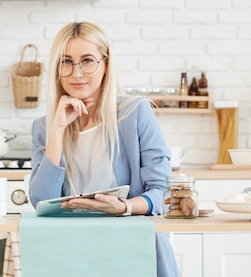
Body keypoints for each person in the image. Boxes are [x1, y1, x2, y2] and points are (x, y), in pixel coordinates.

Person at [28, 21, 180, 277]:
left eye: (87, 60)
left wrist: (125, 207)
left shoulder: (135, 113)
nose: (77, 73)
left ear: (106, 64)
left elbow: (164, 193)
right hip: (74, 252)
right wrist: (57, 130)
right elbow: (40, 201)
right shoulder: (45, 127)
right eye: (66, 62)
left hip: (132, 247)